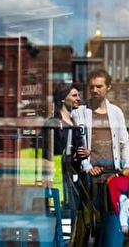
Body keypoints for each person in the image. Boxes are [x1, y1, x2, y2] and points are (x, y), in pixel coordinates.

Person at [72, 68, 129, 246]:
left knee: (113, 225)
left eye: (99, 86)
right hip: (90, 179)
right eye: (91, 87)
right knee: (91, 228)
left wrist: (128, 166)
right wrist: (87, 167)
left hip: (113, 178)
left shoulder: (116, 112)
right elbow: (77, 145)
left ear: (108, 87)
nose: (95, 90)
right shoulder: (79, 112)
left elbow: (124, 142)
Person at [42, 83, 88, 211]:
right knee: (60, 210)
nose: (78, 98)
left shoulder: (75, 123)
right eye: (74, 95)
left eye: (78, 95)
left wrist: (83, 153)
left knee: (74, 209)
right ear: (63, 99)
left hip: (73, 175)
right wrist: (48, 177)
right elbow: (48, 151)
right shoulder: (53, 123)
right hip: (58, 175)